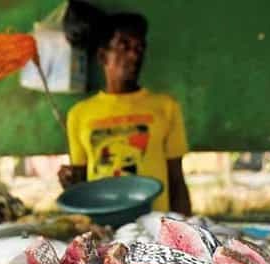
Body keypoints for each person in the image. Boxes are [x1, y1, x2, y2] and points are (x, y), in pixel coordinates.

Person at [59, 12, 192, 215]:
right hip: (101, 224)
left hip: (154, 222)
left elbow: (176, 177)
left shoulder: (165, 107)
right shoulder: (79, 114)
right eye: (124, 47)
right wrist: (69, 182)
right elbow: (80, 183)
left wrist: (185, 226)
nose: (134, 55)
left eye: (139, 48)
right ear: (103, 56)